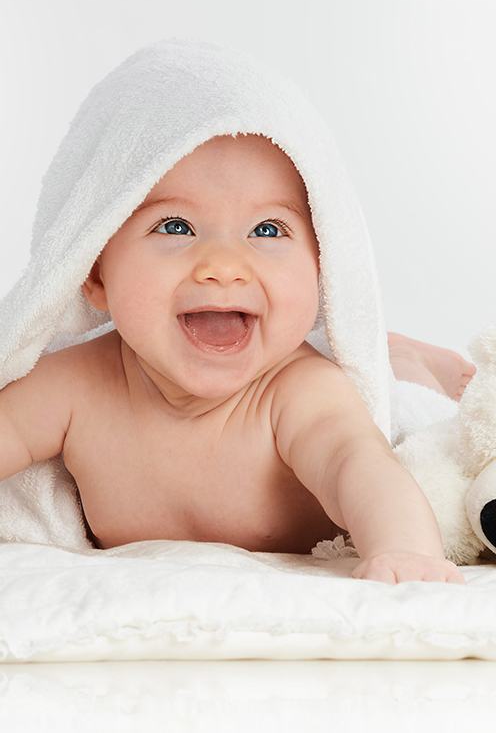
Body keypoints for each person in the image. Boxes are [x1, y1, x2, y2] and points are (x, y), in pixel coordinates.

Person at [0, 131, 473, 585]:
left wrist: (405, 549)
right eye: (175, 226)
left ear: (323, 268)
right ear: (96, 272)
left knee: (412, 403)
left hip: (367, 400)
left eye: (266, 229)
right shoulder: (74, 385)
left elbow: (356, 461)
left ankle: (407, 359)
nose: (222, 266)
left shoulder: (299, 390)